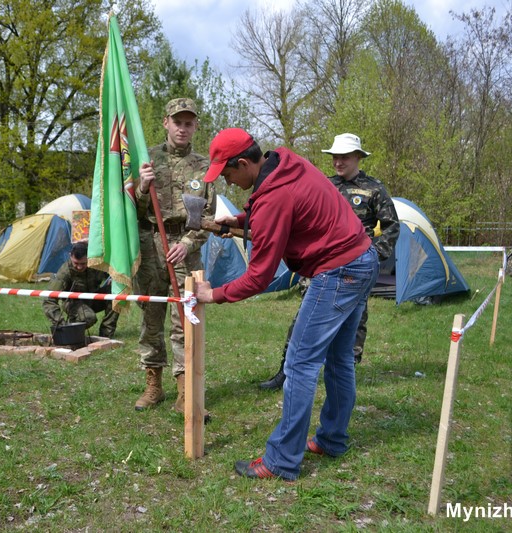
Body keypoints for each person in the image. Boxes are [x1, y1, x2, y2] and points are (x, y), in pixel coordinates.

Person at [195, 128, 378, 481]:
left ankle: (281, 461)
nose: (229, 183)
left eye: (228, 173)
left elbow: (259, 277)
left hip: (338, 270)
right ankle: (332, 439)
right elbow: (273, 208)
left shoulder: (273, 197)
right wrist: (239, 221)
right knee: (339, 359)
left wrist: (212, 294)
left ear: (245, 163)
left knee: (300, 362)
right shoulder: (284, 163)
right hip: (362, 258)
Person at [258, 133, 399, 390]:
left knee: (353, 324)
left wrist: (376, 257)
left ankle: (345, 376)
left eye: (344, 157)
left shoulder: (374, 188)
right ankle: (285, 373)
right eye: (335, 157)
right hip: (319, 267)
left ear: (358, 157)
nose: (338, 162)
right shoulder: (324, 184)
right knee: (303, 320)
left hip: (354, 267)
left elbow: (391, 226)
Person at [133, 97, 213, 413]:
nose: (182, 128)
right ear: (166, 122)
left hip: (186, 250)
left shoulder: (204, 166)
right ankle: (153, 385)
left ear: (195, 126)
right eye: (177, 122)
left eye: (188, 122)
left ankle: (184, 392)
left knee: (185, 321)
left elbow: (208, 215)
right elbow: (131, 211)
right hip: (151, 246)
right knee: (151, 317)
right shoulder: (147, 159)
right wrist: (141, 188)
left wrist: (188, 243)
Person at [42, 242, 119, 338]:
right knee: (88, 317)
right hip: (73, 303)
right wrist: (61, 324)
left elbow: (115, 271)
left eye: (83, 263)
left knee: (117, 294)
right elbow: (49, 300)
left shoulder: (97, 263)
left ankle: (106, 334)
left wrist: (114, 278)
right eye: (76, 263)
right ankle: (72, 330)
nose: (79, 267)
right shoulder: (65, 271)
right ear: (70, 256)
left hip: (93, 297)